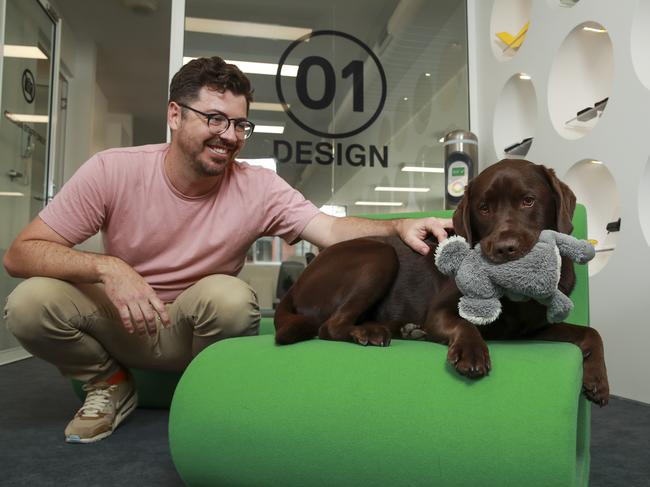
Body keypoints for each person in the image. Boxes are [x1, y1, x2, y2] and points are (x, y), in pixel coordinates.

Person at [2, 56, 452, 444]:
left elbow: (330, 229)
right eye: (214, 118)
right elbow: (21, 254)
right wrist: (107, 267)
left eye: (240, 124)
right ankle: (108, 381)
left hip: (193, 328)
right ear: (175, 115)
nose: (229, 135)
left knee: (230, 297)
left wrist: (398, 224)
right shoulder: (112, 171)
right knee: (28, 303)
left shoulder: (257, 186)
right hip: (122, 319)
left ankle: (203, 394)